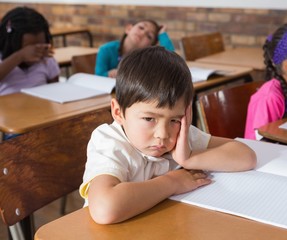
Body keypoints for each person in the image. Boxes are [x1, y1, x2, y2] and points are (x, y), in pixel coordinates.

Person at [80, 46, 257, 224]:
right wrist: (172, 183)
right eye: (149, 118)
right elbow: (105, 209)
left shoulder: (181, 135)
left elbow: (246, 157)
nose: (163, 134)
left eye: (175, 119)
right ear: (118, 112)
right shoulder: (110, 142)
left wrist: (188, 158)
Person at [0, 6, 60, 96]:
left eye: (41, 45)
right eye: (28, 48)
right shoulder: (2, 58)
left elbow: (56, 90)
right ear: (11, 43)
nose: (36, 51)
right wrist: (20, 56)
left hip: (41, 108)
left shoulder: (46, 59)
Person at [95, 19, 175, 78]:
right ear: (129, 29)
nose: (143, 33)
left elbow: (171, 59)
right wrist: (107, 74)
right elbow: (97, 76)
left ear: (150, 46)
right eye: (141, 28)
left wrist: (162, 34)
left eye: (149, 36)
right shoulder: (106, 49)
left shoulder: (147, 58)